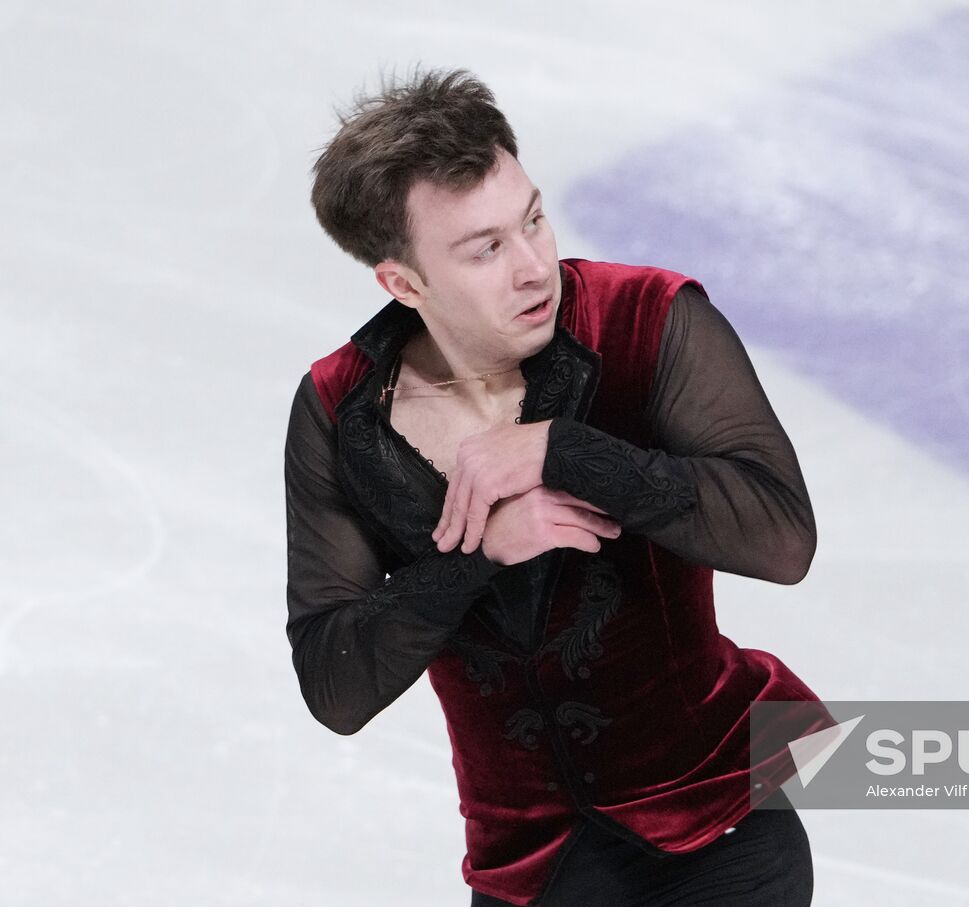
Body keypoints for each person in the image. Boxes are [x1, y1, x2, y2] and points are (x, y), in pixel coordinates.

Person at [283, 68, 830, 906]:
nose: (535, 266)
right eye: (485, 249)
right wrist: (476, 554)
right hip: (532, 875)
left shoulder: (649, 320)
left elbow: (784, 538)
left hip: (720, 831)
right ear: (403, 283)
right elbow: (336, 684)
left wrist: (565, 449)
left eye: (532, 219)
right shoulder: (339, 411)